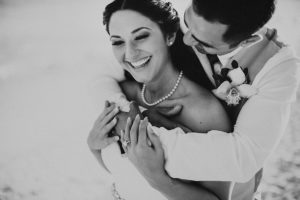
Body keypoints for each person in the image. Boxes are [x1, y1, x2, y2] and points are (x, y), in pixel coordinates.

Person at [89, 0, 300, 199]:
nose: (186, 38)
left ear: (246, 41)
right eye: (187, 22)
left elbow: (242, 158)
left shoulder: (276, 66)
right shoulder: (131, 83)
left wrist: (136, 131)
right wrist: (96, 145)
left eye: (202, 42)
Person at [88, 0, 235, 199]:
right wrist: (94, 147)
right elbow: (123, 174)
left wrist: (157, 177)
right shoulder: (122, 94)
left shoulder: (203, 111)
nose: (130, 53)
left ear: (170, 36)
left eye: (140, 36)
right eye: (118, 42)